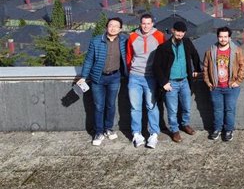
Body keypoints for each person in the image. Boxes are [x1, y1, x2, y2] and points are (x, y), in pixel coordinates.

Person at [77, 17, 127, 146]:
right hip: (98, 78)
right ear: (106, 27)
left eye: (116, 26)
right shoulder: (96, 41)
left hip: (115, 77)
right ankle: (98, 132)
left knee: (111, 105)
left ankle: (108, 129)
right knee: (99, 106)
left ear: (120, 29)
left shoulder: (123, 40)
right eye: (111, 25)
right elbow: (89, 60)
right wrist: (83, 76)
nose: (113, 28)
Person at [153, 21, 201, 143]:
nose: (180, 34)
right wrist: (164, 82)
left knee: (186, 107)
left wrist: (197, 69)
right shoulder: (163, 47)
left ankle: (185, 124)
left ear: (185, 33)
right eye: (178, 31)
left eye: (182, 32)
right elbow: (156, 67)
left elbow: (195, 55)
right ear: (173, 30)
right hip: (171, 83)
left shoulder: (187, 42)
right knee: (172, 109)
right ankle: (174, 130)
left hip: (185, 81)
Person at [126, 14, 166, 148]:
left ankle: (154, 134)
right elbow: (129, 56)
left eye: (148, 23)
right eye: (143, 23)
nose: (146, 26)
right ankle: (136, 134)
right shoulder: (132, 37)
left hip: (151, 76)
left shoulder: (159, 36)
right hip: (135, 76)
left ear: (152, 23)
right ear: (140, 23)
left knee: (151, 106)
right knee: (135, 107)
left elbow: (163, 55)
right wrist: (131, 70)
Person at [202, 26, 244, 142]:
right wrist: (208, 82)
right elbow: (205, 67)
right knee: (217, 110)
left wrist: (238, 81)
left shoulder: (236, 50)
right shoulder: (211, 51)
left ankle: (228, 130)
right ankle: (217, 129)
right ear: (217, 37)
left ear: (229, 37)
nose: (223, 39)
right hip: (216, 87)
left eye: (225, 37)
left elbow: (243, 65)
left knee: (230, 109)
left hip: (231, 87)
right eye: (221, 37)